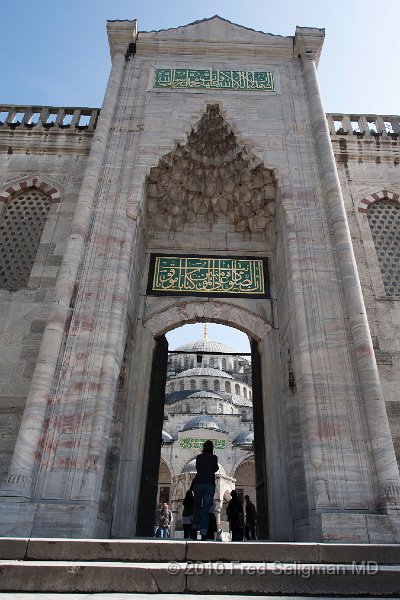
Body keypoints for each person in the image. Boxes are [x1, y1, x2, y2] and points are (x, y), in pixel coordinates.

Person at [191, 440, 219, 541]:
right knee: (206, 510)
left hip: (199, 483)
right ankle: (203, 534)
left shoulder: (199, 457)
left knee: (197, 507)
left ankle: (193, 531)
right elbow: (216, 468)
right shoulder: (214, 458)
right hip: (209, 485)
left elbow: (198, 467)